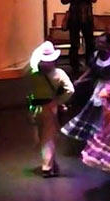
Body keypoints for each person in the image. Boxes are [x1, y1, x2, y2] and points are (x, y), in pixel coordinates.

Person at [61, 34, 110, 142]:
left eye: (101, 42)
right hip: (101, 85)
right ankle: (101, 133)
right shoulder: (96, 55)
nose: (98, 44)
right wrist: (80, 79)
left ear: (107, 44)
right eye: (97, 42)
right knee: (98, 109)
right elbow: (91, 70)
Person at [26, 41, 74, 177]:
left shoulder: (33, 74)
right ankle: (47, 167)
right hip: (50, 108)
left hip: (35, 108)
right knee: (49, 138)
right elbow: (70, 90)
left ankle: (51, 163)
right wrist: (58, 101)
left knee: (43, 136)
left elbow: (28, 90)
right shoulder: (58, 74)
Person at [60, 0, 97, 73]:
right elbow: (63, 0)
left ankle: (90, 64)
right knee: (74, 43)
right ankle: (74, 65)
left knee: (90, 43)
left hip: (87, 18)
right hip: (74, 18)